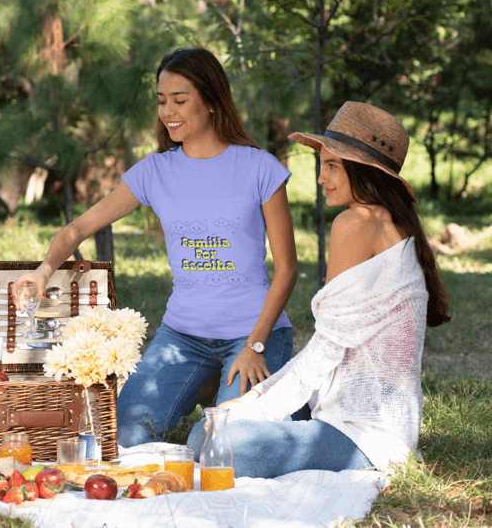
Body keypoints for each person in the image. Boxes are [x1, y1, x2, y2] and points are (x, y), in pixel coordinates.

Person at [13, 48, 298, 447]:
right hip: (183, 336)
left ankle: (286, 398)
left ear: (212, 102)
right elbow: (78, 227)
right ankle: (218, 388)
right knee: (126, 436)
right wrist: (44, 270)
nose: (168, 111)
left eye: (180, 100)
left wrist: (256, 345)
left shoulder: (259, 167)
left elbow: (287, 270)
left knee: (220, 446)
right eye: (162, 101)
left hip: (253, 334)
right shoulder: (154, 171)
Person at [187, 101, 451, 476]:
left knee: (213, 441)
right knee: (211, 432)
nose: (320, 178)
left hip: (365, 434)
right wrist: (256, 399)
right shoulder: (392, 223)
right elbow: (332, 345)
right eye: (321, 165)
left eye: (332, 166)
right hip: (357, 410)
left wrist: (251, 409)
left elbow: (327, 348)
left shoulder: (355, 224)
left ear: (363, 171)